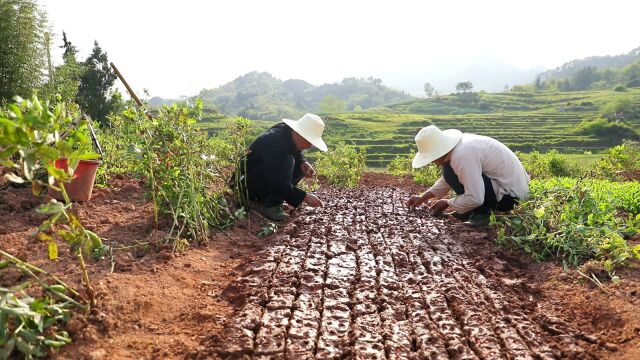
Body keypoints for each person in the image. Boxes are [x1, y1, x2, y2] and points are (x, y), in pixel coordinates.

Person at [405, 125, 530, 226]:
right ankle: (471, 210)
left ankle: (482, 214)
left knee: (449, 171)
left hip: (511, 198)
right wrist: (423, 197)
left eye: (431, 157)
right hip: (508, 190)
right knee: (450, 171)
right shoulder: (460, 147)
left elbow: (475, 197)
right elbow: (448, 180)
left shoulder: (462, 155)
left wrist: (448, 202)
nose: (432, 162)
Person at [242, 113, 327, 221]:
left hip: (264, 177)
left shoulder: (288, 134)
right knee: (288, 161)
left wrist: (303, 162)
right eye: (309, 141)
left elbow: (296, 152)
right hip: (248, 183)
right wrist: (304, 196)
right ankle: (271, 205)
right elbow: (277, 181)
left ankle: (270, 199)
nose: (310, 146)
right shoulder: (274, 142)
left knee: (299, 166)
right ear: (299, 133)